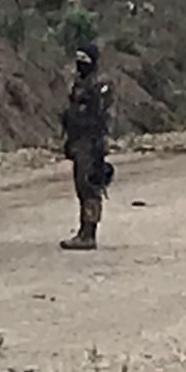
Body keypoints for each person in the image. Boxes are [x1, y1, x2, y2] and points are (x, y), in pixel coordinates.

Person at [60, 43, 113, 251]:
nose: (80, 63)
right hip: (79, 141)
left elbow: (99, 115)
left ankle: (89, 233)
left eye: (85, 59)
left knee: (89, 186)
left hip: (92, 142)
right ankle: (83, 230)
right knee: (81, 187)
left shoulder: (100, 84)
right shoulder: (80, 83)